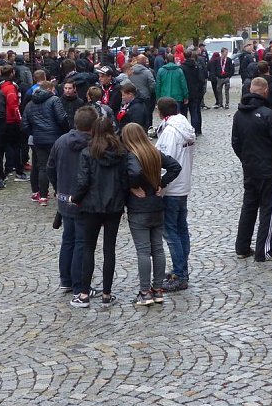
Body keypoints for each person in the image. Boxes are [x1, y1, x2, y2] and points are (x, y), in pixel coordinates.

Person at [70, 117, 129, 308]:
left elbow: (83, 182)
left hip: (91, 206)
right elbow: (125, 179)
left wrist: (75, 199)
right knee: (109, 249)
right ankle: (106, 293)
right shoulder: (121, 153)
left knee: (88, 248)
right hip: (114, 205)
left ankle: (85, 294)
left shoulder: (88, 153)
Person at [122, 122, 181, 307]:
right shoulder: (154, 152)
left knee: (143, 251)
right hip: (156, 206)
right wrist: (161, 183)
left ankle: (145, 292)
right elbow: (175, 166)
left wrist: (132, 186)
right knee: (157, 249)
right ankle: (157, 290)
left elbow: (135, 172)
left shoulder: (132, 155)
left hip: (139, 208)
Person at [232, 77, 272, 262]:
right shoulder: (269, 115)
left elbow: (236, 142)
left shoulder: (239, 115)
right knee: (269, 209)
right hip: (269, 169)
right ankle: (264, 250)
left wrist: (245, 159)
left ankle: (242, 246)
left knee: (248, 207)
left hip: (250, 168)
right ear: (265, 91)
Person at [48, 106, 97, 298]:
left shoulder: (60, 141)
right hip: (84, 200)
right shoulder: (93, 145)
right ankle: (79, 285)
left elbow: (50, 167)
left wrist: (58, 188)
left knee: (68, 239)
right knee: (81, 243)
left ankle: (66, 280)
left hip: (64, 198)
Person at [155, 97, 196, 291]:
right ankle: (181, 267)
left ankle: (180, 273)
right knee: (180, 230)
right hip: (183, 185)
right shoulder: (184, 125)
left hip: (171, 188)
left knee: (171, 232)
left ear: (160, 112)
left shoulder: (170, 132)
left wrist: (159, 186)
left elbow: (165, 162)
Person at [23, 80, 69, 205]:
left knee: (43, 167)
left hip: (38, 139)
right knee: (59, 167)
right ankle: (59, 192)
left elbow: (25, 124)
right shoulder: (54, 100)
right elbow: (62, 118)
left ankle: (43, 196)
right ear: (49, 89)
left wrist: (35, 132)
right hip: (55, 138)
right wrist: (65, 131)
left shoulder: (30, 104)